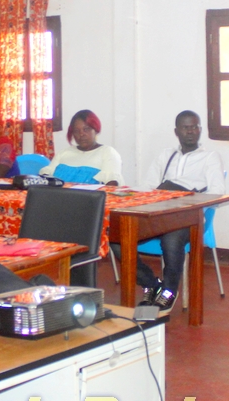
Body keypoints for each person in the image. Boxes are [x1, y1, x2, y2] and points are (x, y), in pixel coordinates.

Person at [124, 110, 225, 310]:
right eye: (186, 127)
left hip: (190, 218)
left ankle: (169, 290)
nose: (191, 131)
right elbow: (148, 186)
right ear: (176, 131)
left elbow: (218, 194)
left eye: (195, 127)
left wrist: (186, 195)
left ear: (200, 130)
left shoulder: (209, 157)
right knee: (119, 238)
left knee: (171, 238)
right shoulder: (166, 155)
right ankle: (152, 285)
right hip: (159, 214)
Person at [39, 109, 124, 185]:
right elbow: (46, 176)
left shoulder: (107, 152)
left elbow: (112, 185)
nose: (81, 134)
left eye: (86, 129)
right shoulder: (63, 153)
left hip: (91, 201)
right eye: (76, 131)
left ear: (96, 130)